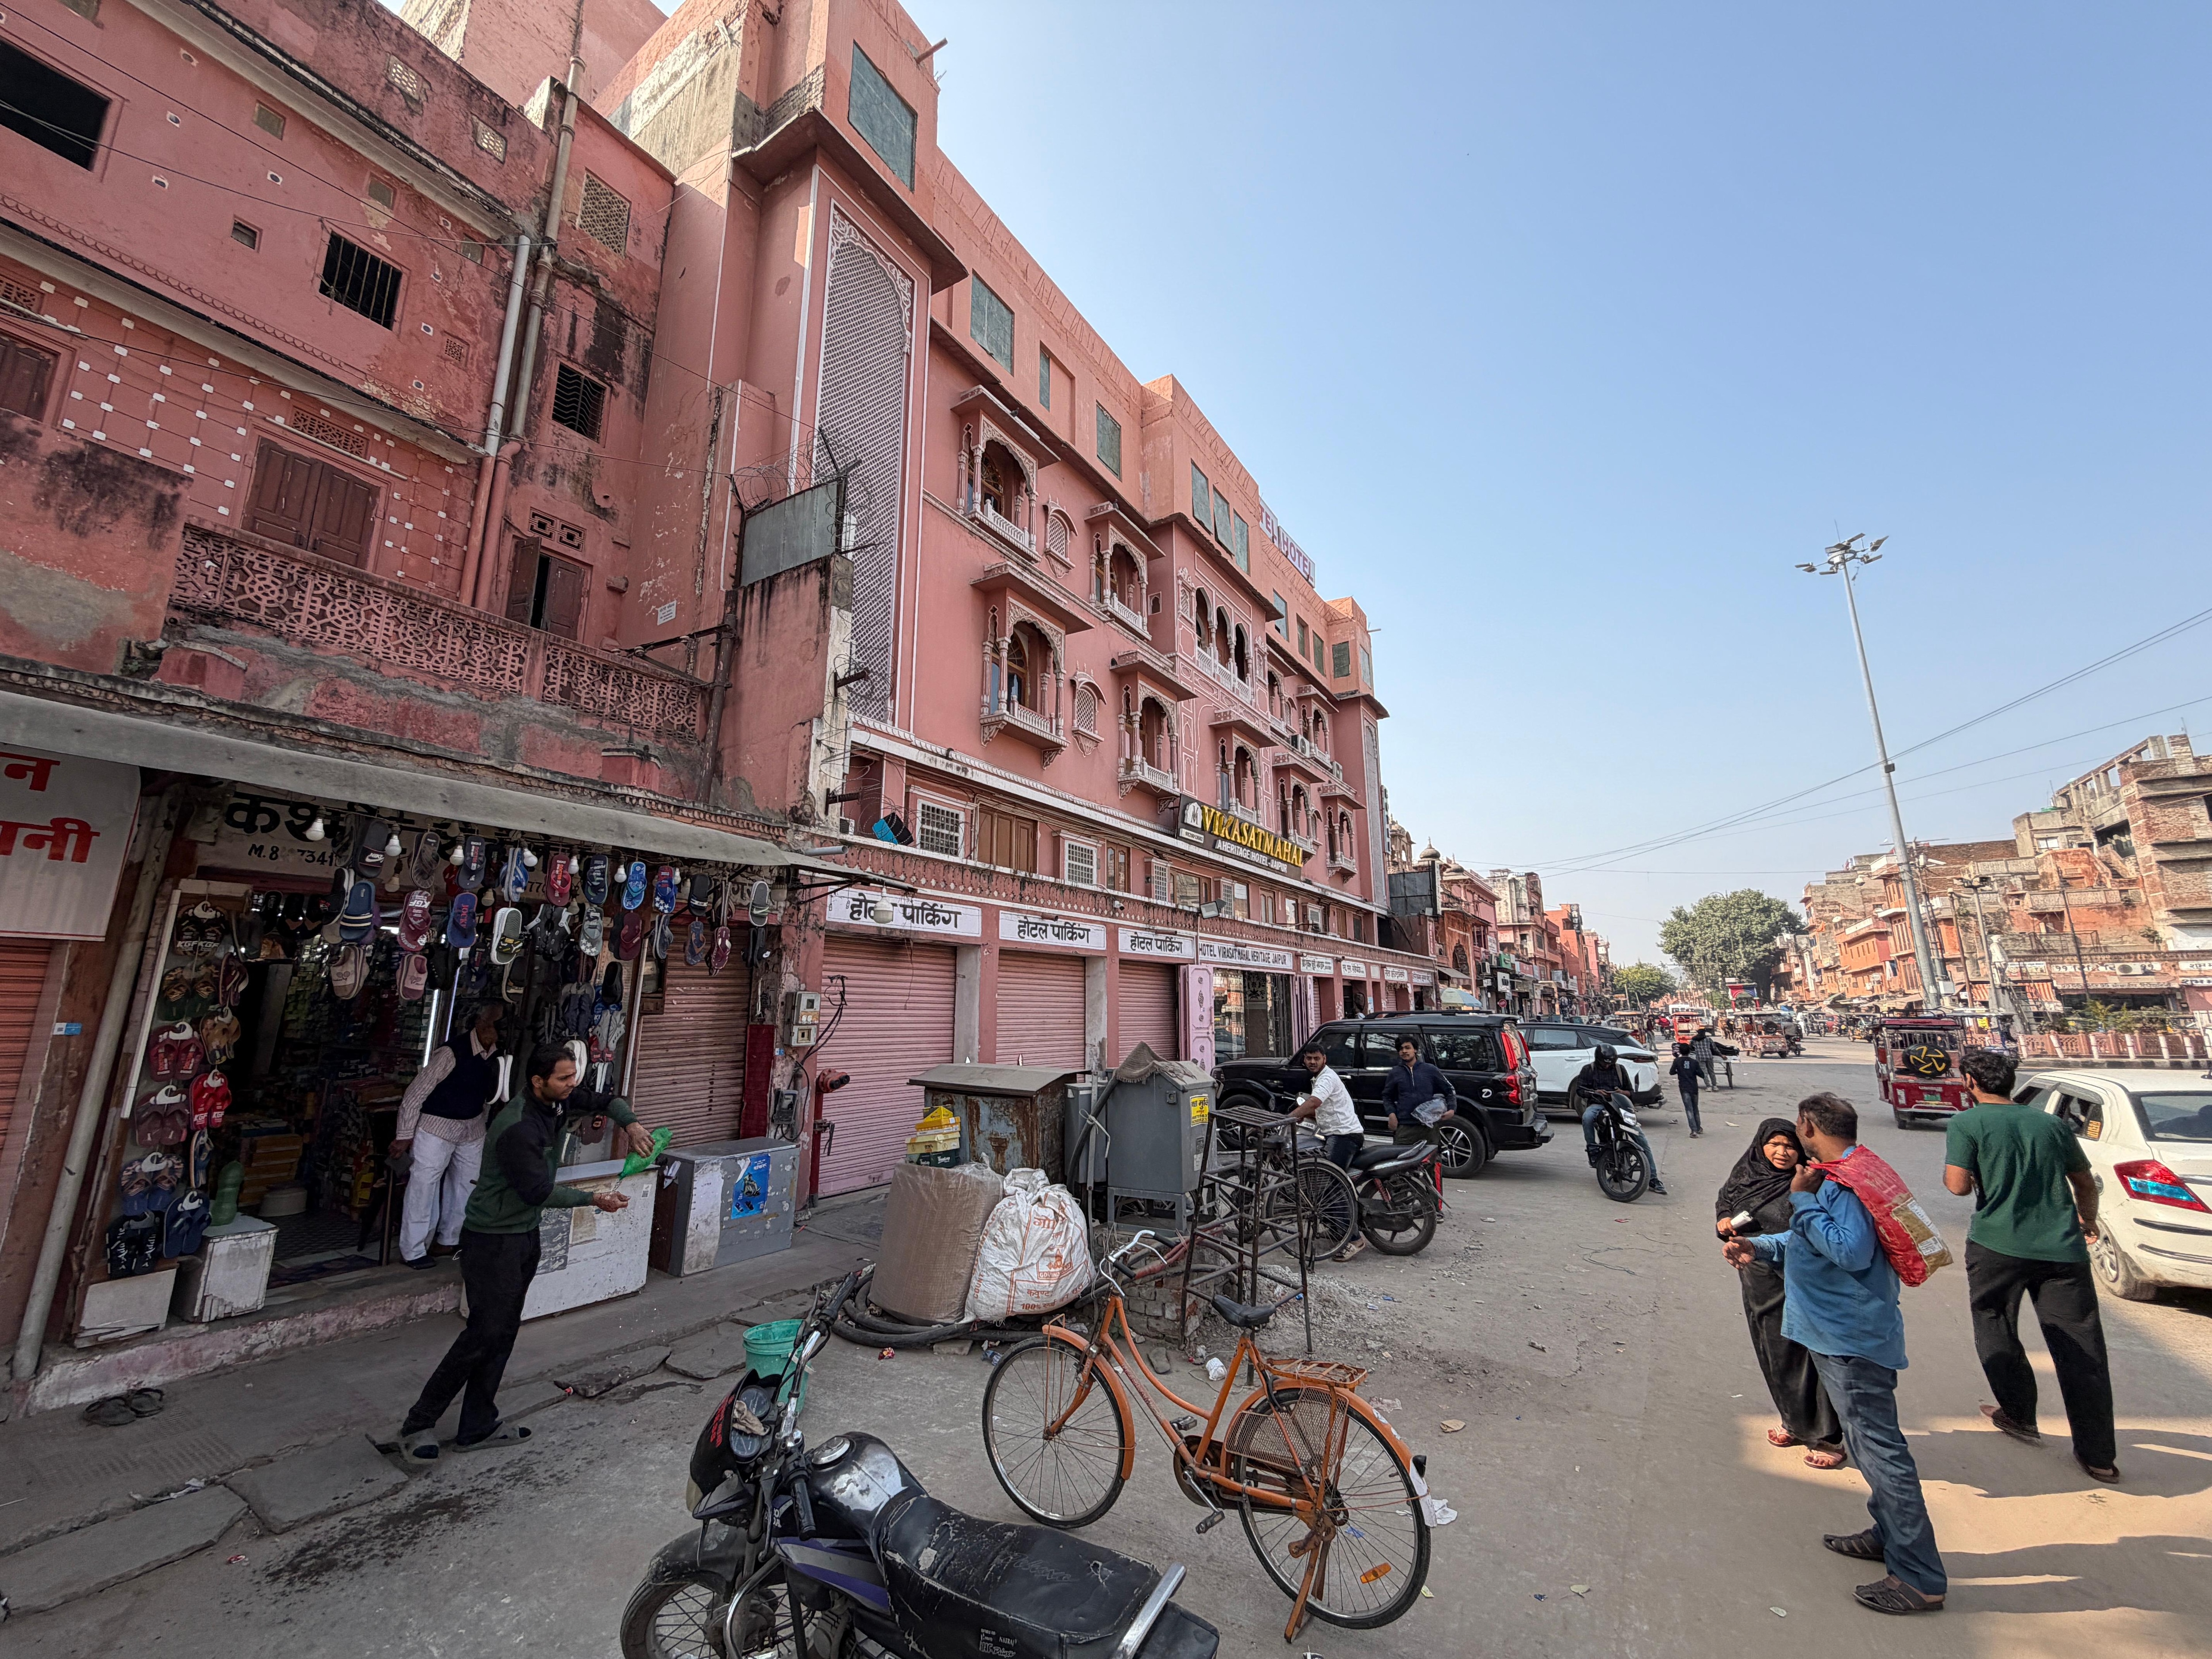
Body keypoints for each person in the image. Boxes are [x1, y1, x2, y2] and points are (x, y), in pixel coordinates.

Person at [1723, 1092, 1946, 1615]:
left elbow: (1849, 1250)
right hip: (1837, 1334)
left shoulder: (1837, 1183)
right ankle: (1888, 1535)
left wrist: (1801, 1200)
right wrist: (1759, 1247)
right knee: (1869, 1449)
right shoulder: (1845, 1171)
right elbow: (1807, 1243)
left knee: (1880, 1453)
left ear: (1807, 1126)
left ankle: (1918, 1578)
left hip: (1851, 1339)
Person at [396, 1042, 655, 1457]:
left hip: (523, 1235)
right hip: (492, 1240)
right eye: (563, 1078)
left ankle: (478, 1425)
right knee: (482, 1334)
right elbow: (537, 1191)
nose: (572, 1084)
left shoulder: (558, 1102)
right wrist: (594, 1199)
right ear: (538, 1081)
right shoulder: (518, 1126)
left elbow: (608, 1101)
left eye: (574, 1076)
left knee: (503, 1332)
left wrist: (632, 1125)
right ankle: (418, 1424)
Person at [1944, 1047, 2118, 1482]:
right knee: (2081, 1348)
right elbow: (2084, 1182)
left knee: (1995, 1325)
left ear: (1970, 1083)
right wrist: (2088, 1220)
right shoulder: (2051, 1124)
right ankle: (2099, 1456)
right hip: (2062, 1251)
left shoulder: (1967, 1123)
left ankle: (2019, 1414)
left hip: (1995, 1246)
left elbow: (1956, 1187)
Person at [1716, 1118, 1845, 1467]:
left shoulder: (1809, 1181)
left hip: (1797, 1277)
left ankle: (1827, 1436)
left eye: (1789, 1146)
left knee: (1804, 1353)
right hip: (1757, 1279)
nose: (1782, 1152)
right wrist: (1724, 1219)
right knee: (1773, 1351)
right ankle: (1794, 1422)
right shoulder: (1748, 1172)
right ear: (1761, 1146)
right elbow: (1727, 1198)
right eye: (1774, 1144)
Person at [392, 1002, 507, 1269]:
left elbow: (489, 1095)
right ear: (480, 1024)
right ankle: (413, 1250)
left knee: (467, 1185)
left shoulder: (498, 1055)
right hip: (436, 1127)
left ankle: (449, 1240)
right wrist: (404, 1135)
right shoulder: (451, 1052)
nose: (498, 1033)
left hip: (472, 1128)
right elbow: (416, 1094)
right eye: (494, 1026)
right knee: (424, 1187)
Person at [1286, 1038, 1367, 1261]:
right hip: (1337, 1135)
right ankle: (1336, 1228)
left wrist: (1289, 1118)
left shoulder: (1327, 1078)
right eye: (1309, 1059)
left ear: (1324, 1059)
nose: (1312, 1062)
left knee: (1332, 1185)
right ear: (1304, 1060)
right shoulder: (1319, 1078)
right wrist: (1300, 1115)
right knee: (1324, 1182)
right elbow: (1321, 1109)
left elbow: (1314, 1102)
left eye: (1316, 1058)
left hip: (1345, 1137)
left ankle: (1354, 1240)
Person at [1575, 1043, 1666, 1194]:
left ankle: (1653, 1179)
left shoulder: (1620, 1070)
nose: (1607, 1066)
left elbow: (1630, 1092)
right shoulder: (1588, 1069)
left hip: (1620, 1107)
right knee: (1587, 1117)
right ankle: (1593, 1150)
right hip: (1598, 1105)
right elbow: (1580, 1090)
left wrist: (1622, 1093)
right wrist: (1596, 1092)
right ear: (1598, 1060)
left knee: (1641, 1139)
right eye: (1604, 1063)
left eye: (1610, 1063)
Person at [1380, 1034, 1455, 1143]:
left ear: (1415, 1050)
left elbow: (1449, 1090)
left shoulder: (1430, 1070)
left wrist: (1452, 1109)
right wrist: (1391, 1114)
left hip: (1429, 1126)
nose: (1404, 1051)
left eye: (1408, 1048)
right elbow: (1387, 1096)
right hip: (1405, 1127)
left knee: (1431, 1154)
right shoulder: (1395, 1072)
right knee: (1402, 1154)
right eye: (1401, 1049)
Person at [1669, 1042, 1705, 1136]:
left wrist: (1679, 1071)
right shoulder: (1694, 1062)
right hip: (1694, 1087)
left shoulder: (1677, 1061)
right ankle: (1698, 1128)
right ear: (1690, 1052)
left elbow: (1672, 1072)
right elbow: (1702, 1075)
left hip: (1684, 1088)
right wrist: (1693, 1072)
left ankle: (1694, 1131)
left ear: (1680, 1051)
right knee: (1695, 1108)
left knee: (1689, 1109)